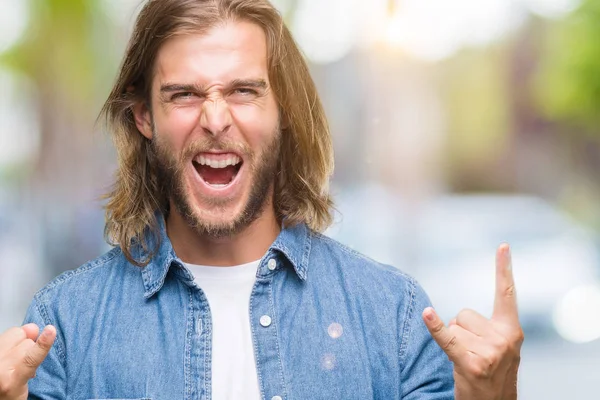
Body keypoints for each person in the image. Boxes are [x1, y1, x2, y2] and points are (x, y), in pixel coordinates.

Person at [0, 0, 523, 399]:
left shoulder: (394, 317)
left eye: (244, 91)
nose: (215, 118)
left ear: (284, 112)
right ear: (143, 118)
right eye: (184, 94)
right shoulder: (64, 326)